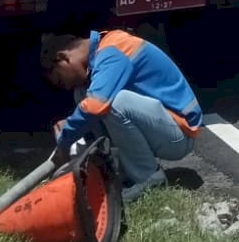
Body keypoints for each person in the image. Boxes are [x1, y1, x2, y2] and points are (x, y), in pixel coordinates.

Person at [42, 30, 200, 202]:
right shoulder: (102, 52)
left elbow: (96, 106)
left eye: (59, 78)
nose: (64, 85)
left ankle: (149, 177)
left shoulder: (113, 52)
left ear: (63, 57)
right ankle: (120, 169)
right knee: (82, 94)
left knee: (113, 103)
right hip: (162, 126)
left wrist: (65, 141)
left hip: (179, 135)